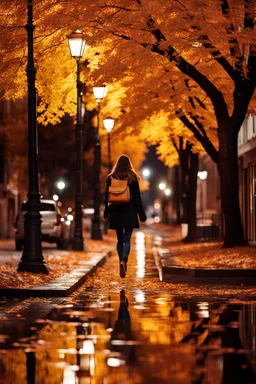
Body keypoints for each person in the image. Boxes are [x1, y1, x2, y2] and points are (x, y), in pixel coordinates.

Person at [103, 155, 147, 278]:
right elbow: (138, 199)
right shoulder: (132, 178)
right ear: (129, 164)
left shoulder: (111, 178)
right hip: (130, 211)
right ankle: (124, 260)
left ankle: (120, 262)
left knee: (120, 240)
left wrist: (106, 213)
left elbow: (107, 197)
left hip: (116, 211)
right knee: (127, 239)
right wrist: (142, 216)